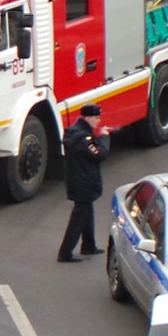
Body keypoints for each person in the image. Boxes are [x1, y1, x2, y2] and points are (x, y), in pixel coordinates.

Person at [57, 104, 109, 262]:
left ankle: (89, 245)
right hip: (84, 181)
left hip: (79, 179)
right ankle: (65, 252)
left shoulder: (76, 132)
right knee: (78, 218)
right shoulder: (83, 138)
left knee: (87, 211)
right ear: (87, 118)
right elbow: (99, 154)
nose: (98, 121)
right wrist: (104, 137)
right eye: (96, 118)